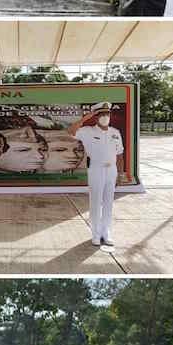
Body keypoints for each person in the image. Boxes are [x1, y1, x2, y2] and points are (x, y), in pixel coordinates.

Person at [68, 102, 125, 247]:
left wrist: (121, 174)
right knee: (95, 201)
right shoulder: (87, 131)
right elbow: (71, 131)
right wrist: (85, 118)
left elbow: (119, 155)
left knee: (108, 202)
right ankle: (95, 233)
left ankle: (106, 232)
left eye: (107, 114)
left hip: (112, 170)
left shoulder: (115, 132)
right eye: (101, 114)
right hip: (96, 169)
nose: (105, 117)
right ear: (96, 116)